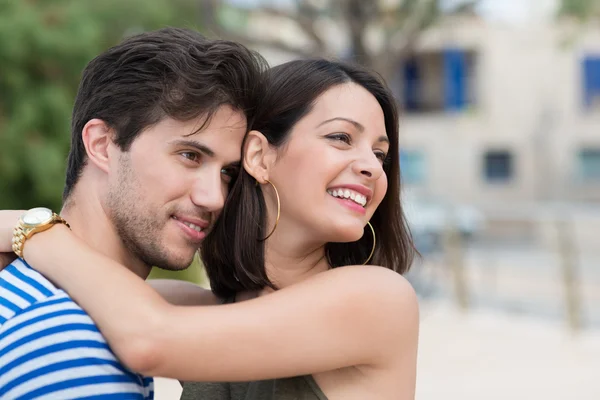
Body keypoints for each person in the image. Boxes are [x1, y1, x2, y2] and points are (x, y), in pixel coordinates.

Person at [0, 59, 419, 399]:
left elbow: (149, 339)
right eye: (342, 137)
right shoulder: (202, 308)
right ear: (259, 156)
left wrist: (32, 226)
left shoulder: (379, 301)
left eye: (380, 154)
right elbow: (89, 285)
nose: (371, 166)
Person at [0, 27, 265, 399]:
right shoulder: (72, 342)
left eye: (228, 173)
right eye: (190, 156)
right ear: (102, 145)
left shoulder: (37, 290)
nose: (215, 198)